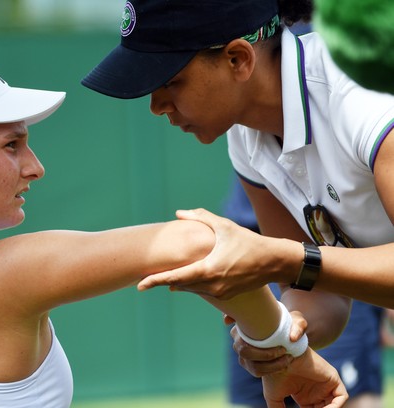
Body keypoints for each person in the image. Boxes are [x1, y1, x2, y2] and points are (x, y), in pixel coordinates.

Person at [0, 49, 347, 407]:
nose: (35, 166)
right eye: (12, 145)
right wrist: (285, 353)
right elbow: (202, 242)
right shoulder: (0, 277)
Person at [81, 0, 394, 390]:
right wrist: (279, 337)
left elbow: (298, 262)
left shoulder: (363, 97)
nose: (156, 106)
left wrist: (282, 258)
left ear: (238, 59)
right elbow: (318, 293)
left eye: (170, 80)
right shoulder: (246, 137)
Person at [222, 177, 384, 408]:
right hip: (253, 265)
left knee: (341, 395)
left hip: (332, 261)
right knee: (260, 389)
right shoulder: (246, 149)